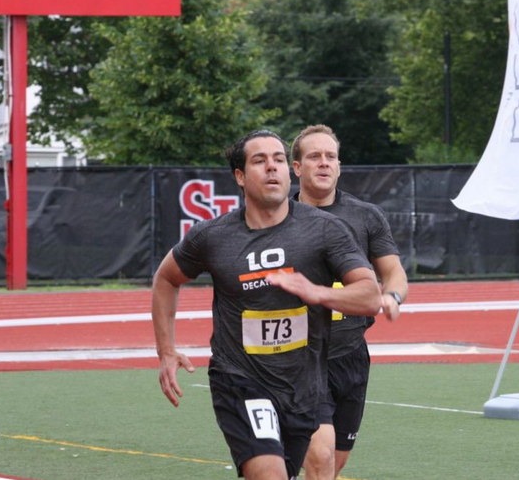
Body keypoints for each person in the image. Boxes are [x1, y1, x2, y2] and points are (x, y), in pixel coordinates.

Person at [152, 129, 381, 480]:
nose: (271, 168)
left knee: (307, 468)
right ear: (240, 177)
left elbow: (369, 296)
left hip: (303, 385)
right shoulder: (212, 237)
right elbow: (166, 278)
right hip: (240, 378)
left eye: (277, 160)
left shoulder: (325, 230)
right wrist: (166, 350)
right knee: (270, 474)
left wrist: (318, 293)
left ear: (289, 172)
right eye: (259, 161)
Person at [291, 124, 409, 480]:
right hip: (301, 357)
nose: (324, 163)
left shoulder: (366, 216)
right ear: (297, 168)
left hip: (352, 355)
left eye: (330, 157)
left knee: (334, 463)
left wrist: (392, 296)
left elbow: (394, 272)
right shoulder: (278, 217)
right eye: (314, 157)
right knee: (321, 456)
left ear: (339, 165)